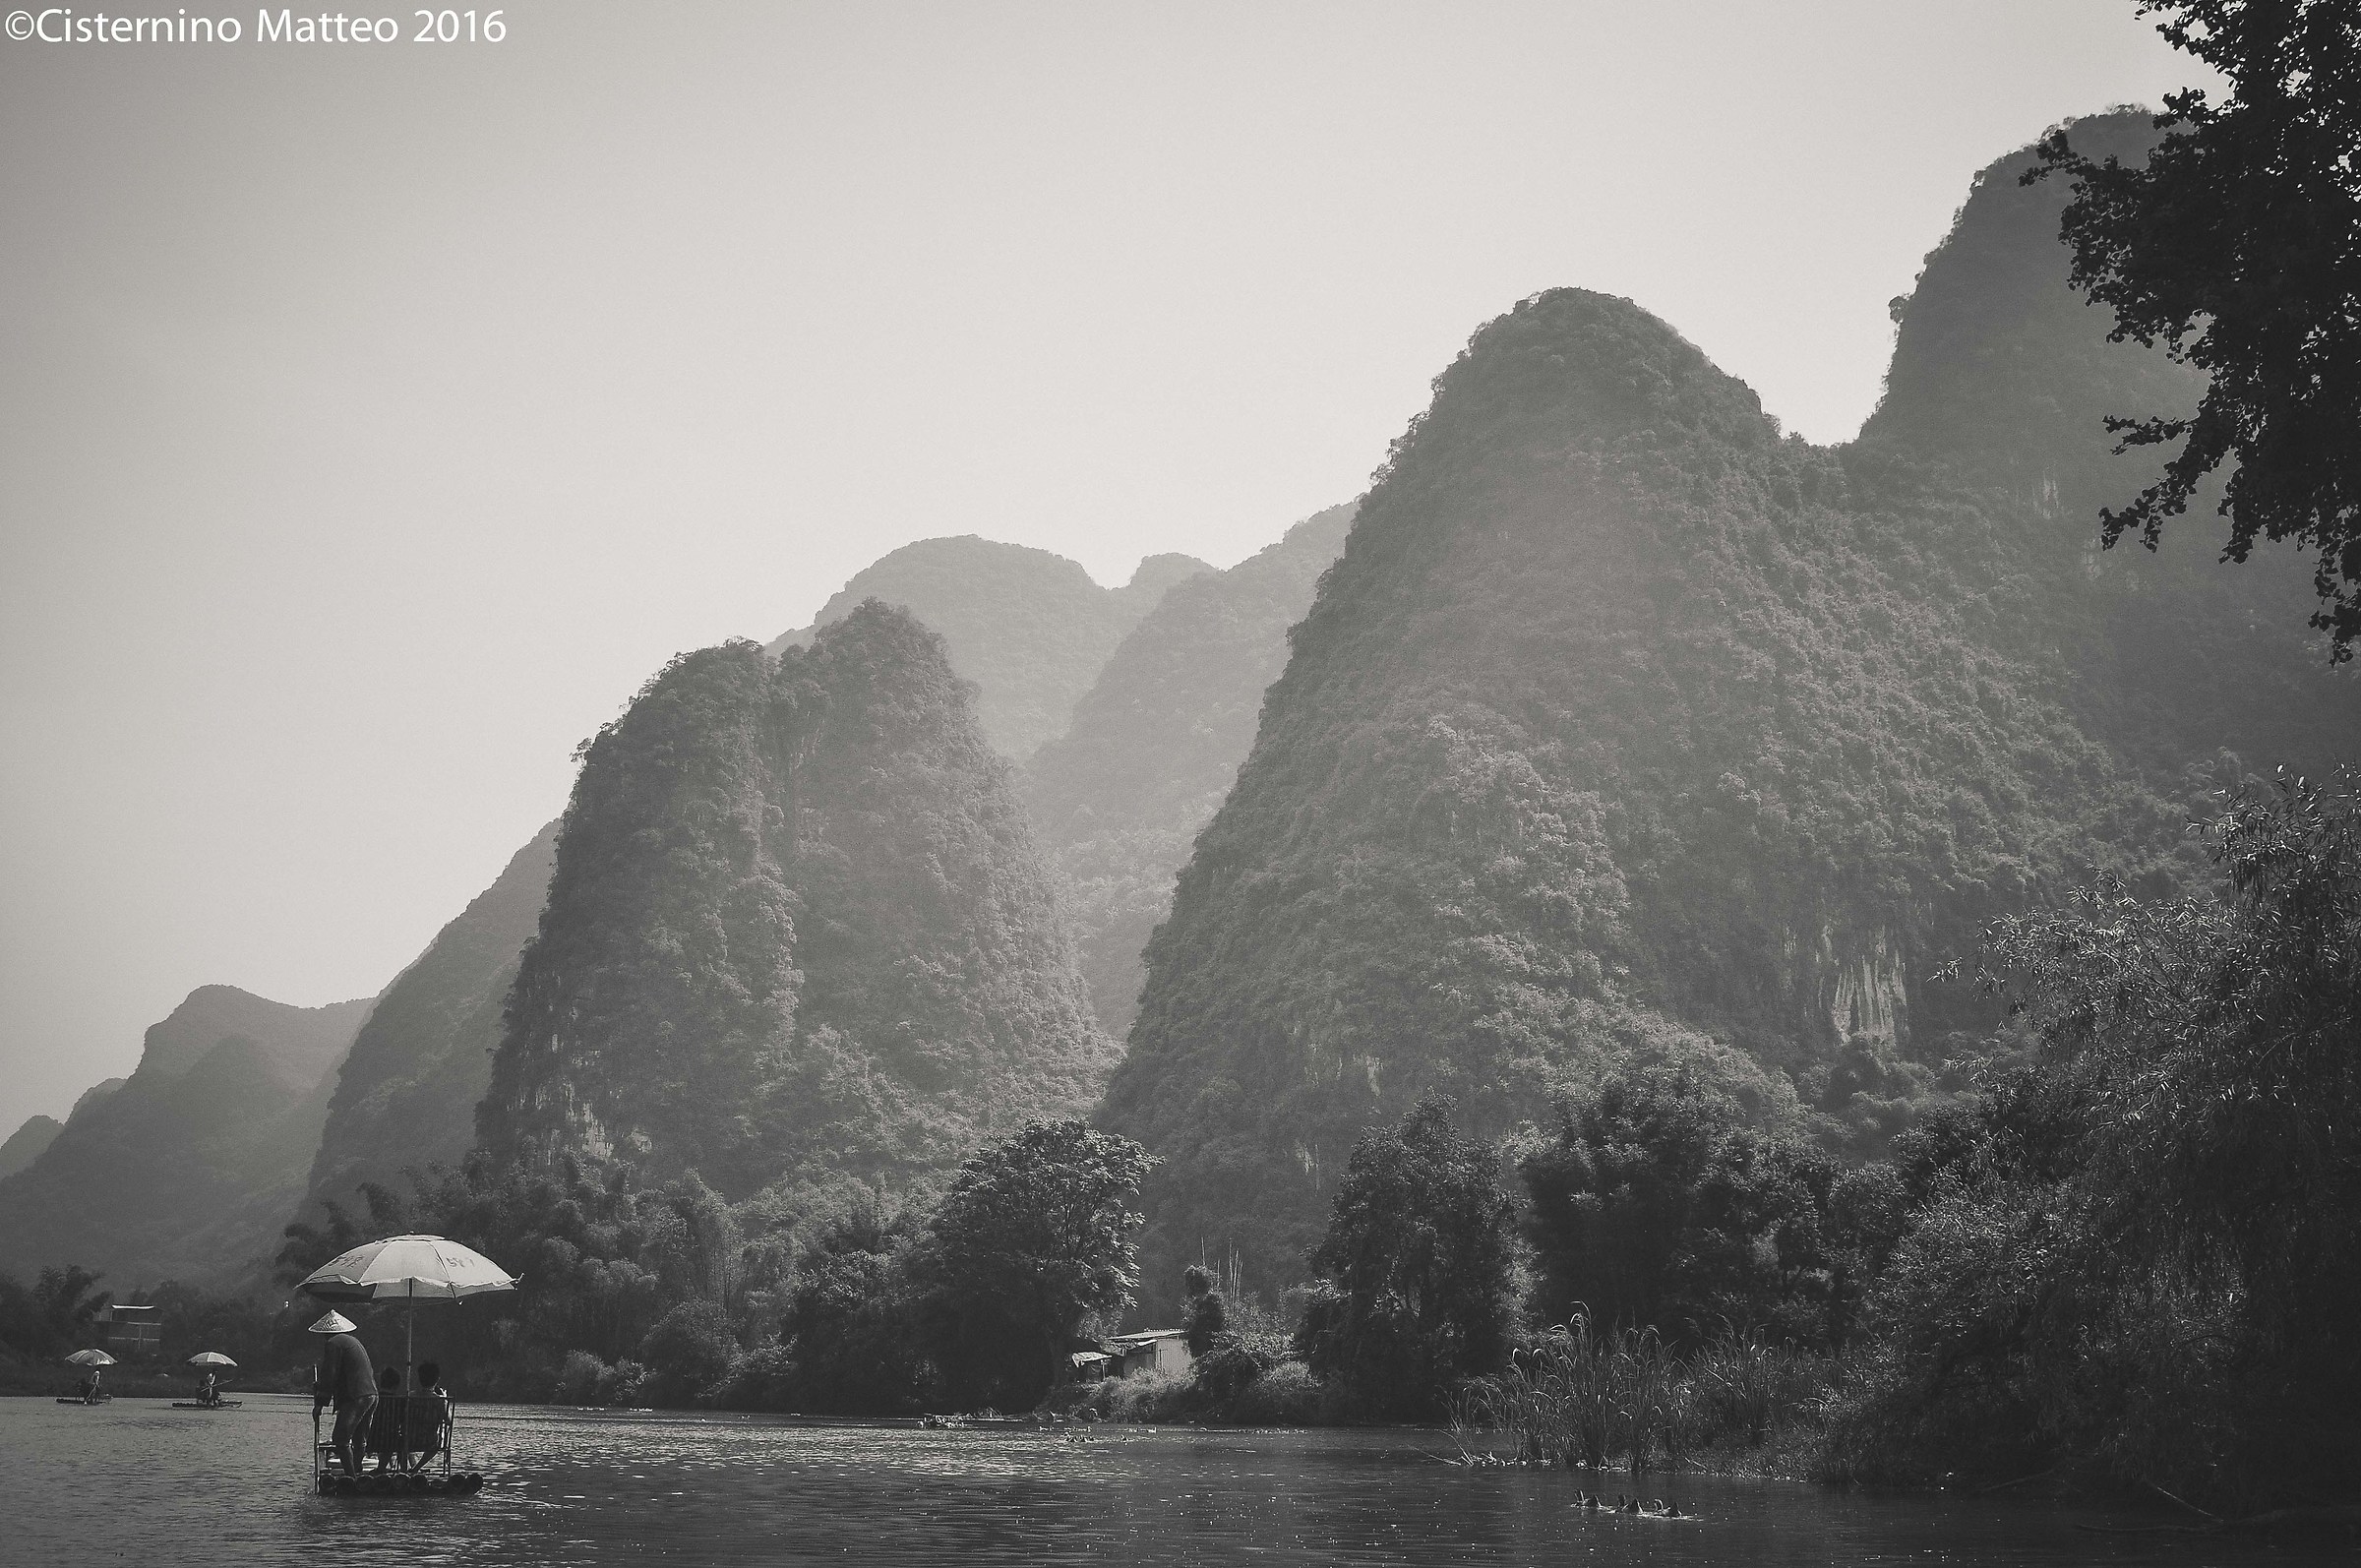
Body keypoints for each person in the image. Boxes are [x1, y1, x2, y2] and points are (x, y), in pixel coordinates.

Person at [309, 1311, 376, 1478]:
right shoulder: (352, 1341)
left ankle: (351, 1477)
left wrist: (320, 1403)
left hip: (357, 1396)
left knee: (340, 1439)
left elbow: (330, 1374)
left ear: (326, 1333)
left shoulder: (334, 1343)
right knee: (360, 1439)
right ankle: (358, 1471)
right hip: (371, 1394)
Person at [406, 1360, 452, 1472]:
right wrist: (445, 1400)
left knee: (403, 1440)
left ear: (419, 1378)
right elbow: (448, 1420)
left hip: (409, 1439)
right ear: (437, 1380)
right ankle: (416, 1468)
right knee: (439, 1440)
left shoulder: (409, 1397)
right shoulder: (439, 1400)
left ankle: (408, 1468)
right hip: (429, 1440)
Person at [369, 1365, 408, 1471]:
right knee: (397, 1439)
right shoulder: (400, 1402)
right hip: (390, 1440)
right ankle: (402, 1470)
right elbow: (404, 1422)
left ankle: (359, 1466)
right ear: (396, 1385)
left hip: (370, 1439)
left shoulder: (373, 1399)